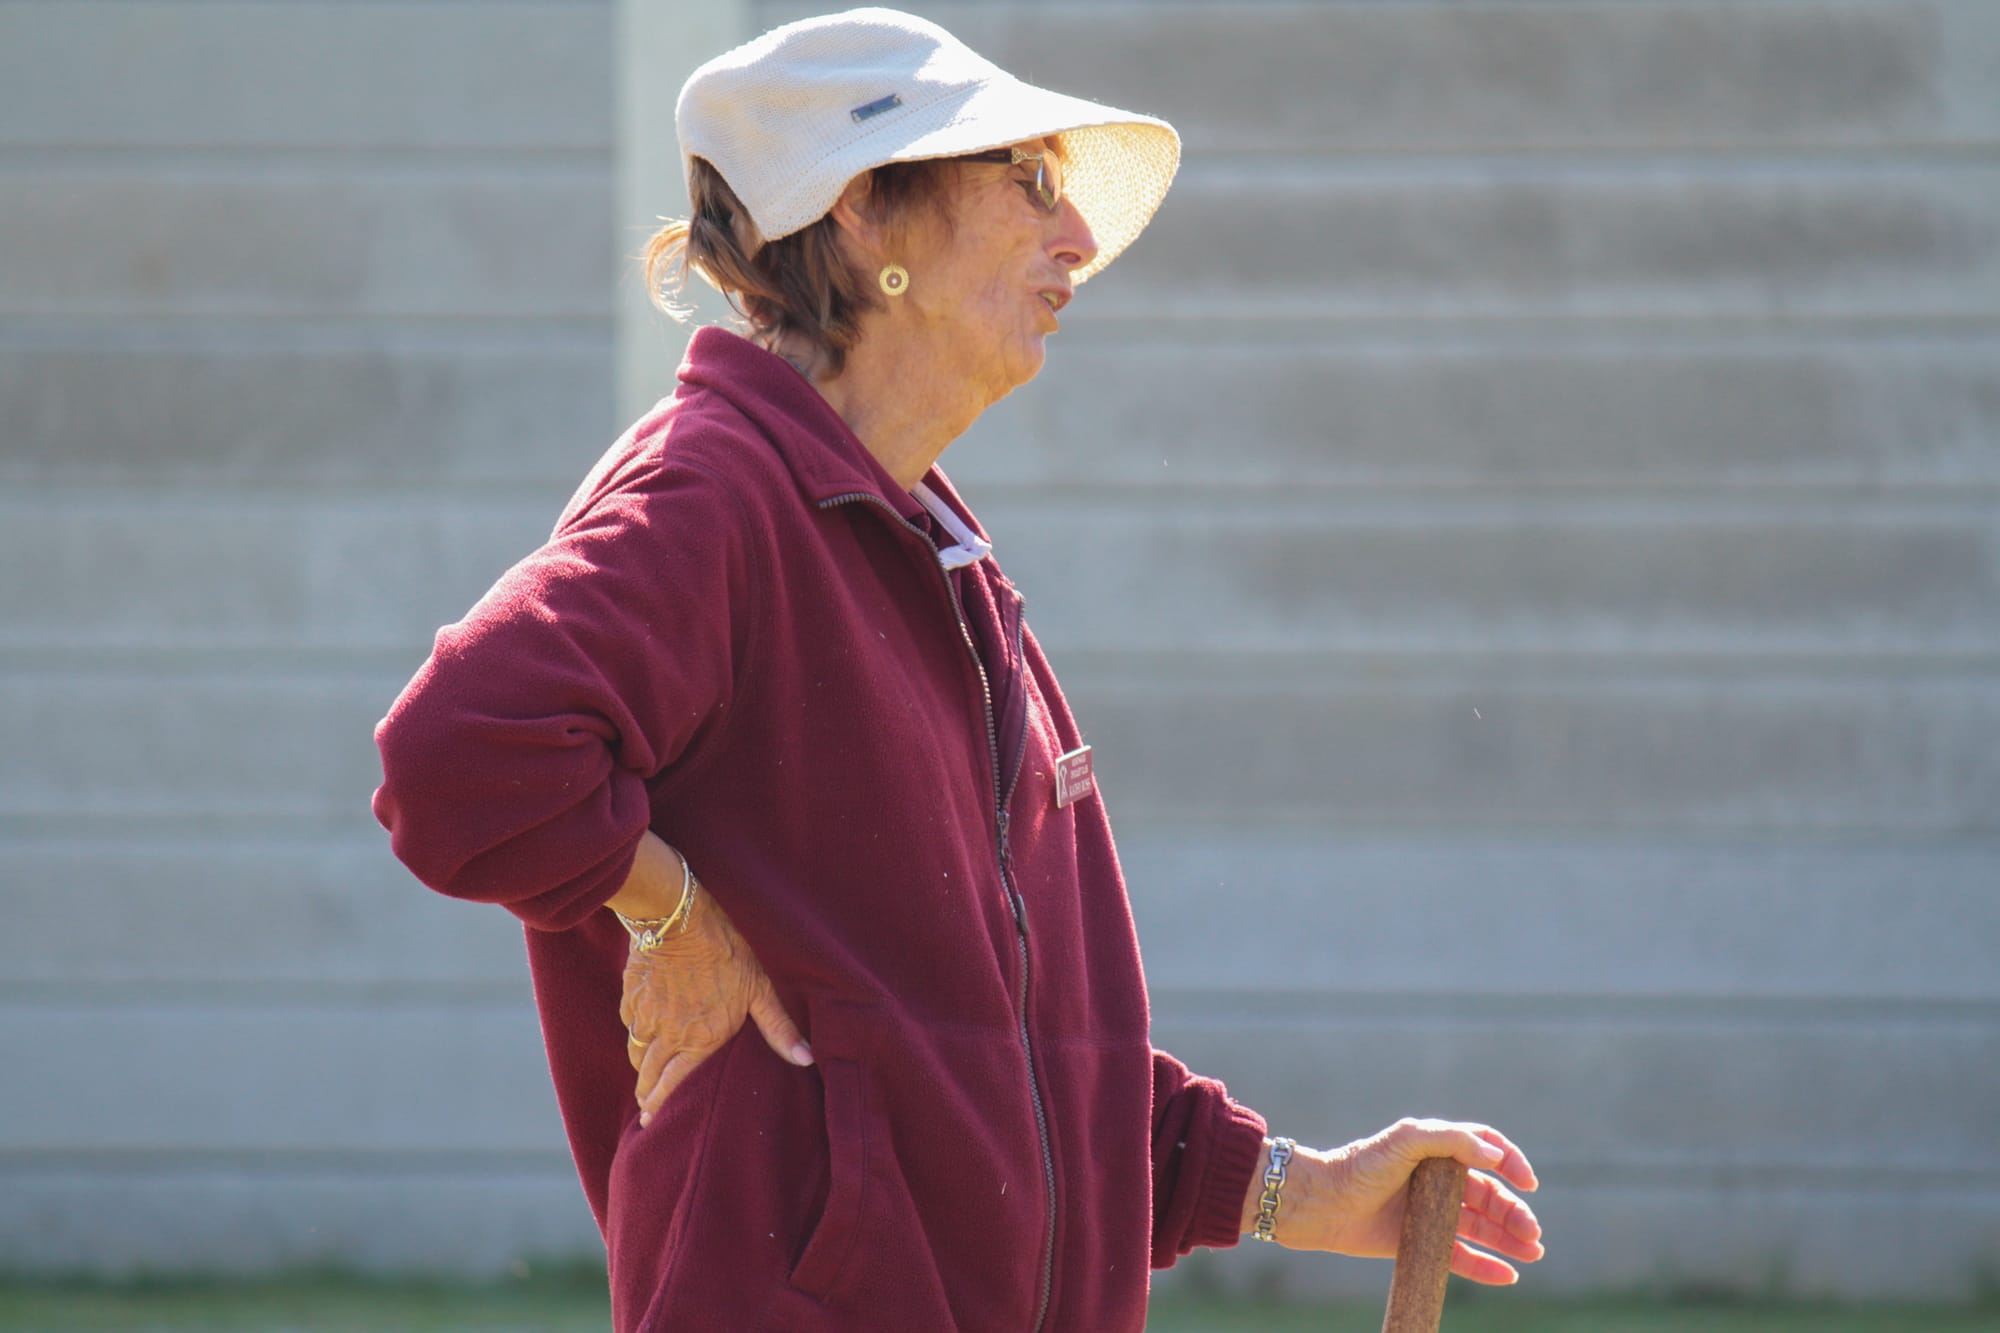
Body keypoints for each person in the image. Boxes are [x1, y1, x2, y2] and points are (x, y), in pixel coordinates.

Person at [372, 9, 1543, 1330]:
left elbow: (1009, 1062)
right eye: (1029, 181)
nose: (1079, 237)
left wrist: (1296, 1189)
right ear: (866, 207)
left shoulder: (939, 555)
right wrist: (674, 915)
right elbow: (453, 754)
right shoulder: (714, 492)